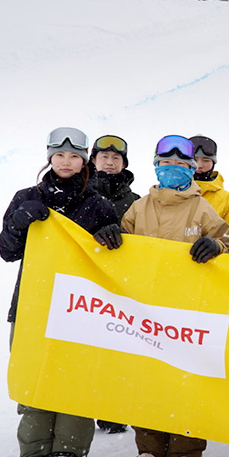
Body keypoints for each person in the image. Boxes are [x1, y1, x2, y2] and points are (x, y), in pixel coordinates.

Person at [0, 127, 119, 457]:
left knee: (75, 377)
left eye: (74, 157)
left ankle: (70, 447)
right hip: (33, 302)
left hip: (81, 307)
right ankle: (34, 448)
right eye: (60, 155)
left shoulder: (96, 204)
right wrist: (20, 223)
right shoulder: (26, 197)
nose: (66, 162)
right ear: (49, 157)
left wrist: (112, 238)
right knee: (35, 373)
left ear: (84, 162)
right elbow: (7, 251)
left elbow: (115, 261)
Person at [111, 135, 229, 457]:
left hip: (188, 307)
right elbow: (123, 241)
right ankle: (148, 447)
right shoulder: (140, 206)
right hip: (146, 305)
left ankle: (185, 449)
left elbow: (224, 239)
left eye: (180, 166)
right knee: (148, 374)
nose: (172, 171)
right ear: (156, 167)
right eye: (166, 165)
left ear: (192, 170)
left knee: (187, 375)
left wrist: (215, 245)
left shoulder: (199, 206)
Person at [87, 134, 140, 434]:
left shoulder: (135, 202)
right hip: (85, 282)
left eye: (116, 158)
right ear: (93, 161)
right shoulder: (78, 194)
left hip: (123, 285)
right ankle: (85, 404)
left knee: (120, 345)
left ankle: (113, 408)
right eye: (104, 157)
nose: (110, 161)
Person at [190, 134, 229, 247]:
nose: (199, 165)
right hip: (174, 261)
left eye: (206, 160)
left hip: (210, 261)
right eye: (194, 160)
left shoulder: (227, 199)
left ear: (213, 163)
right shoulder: (172, 192)